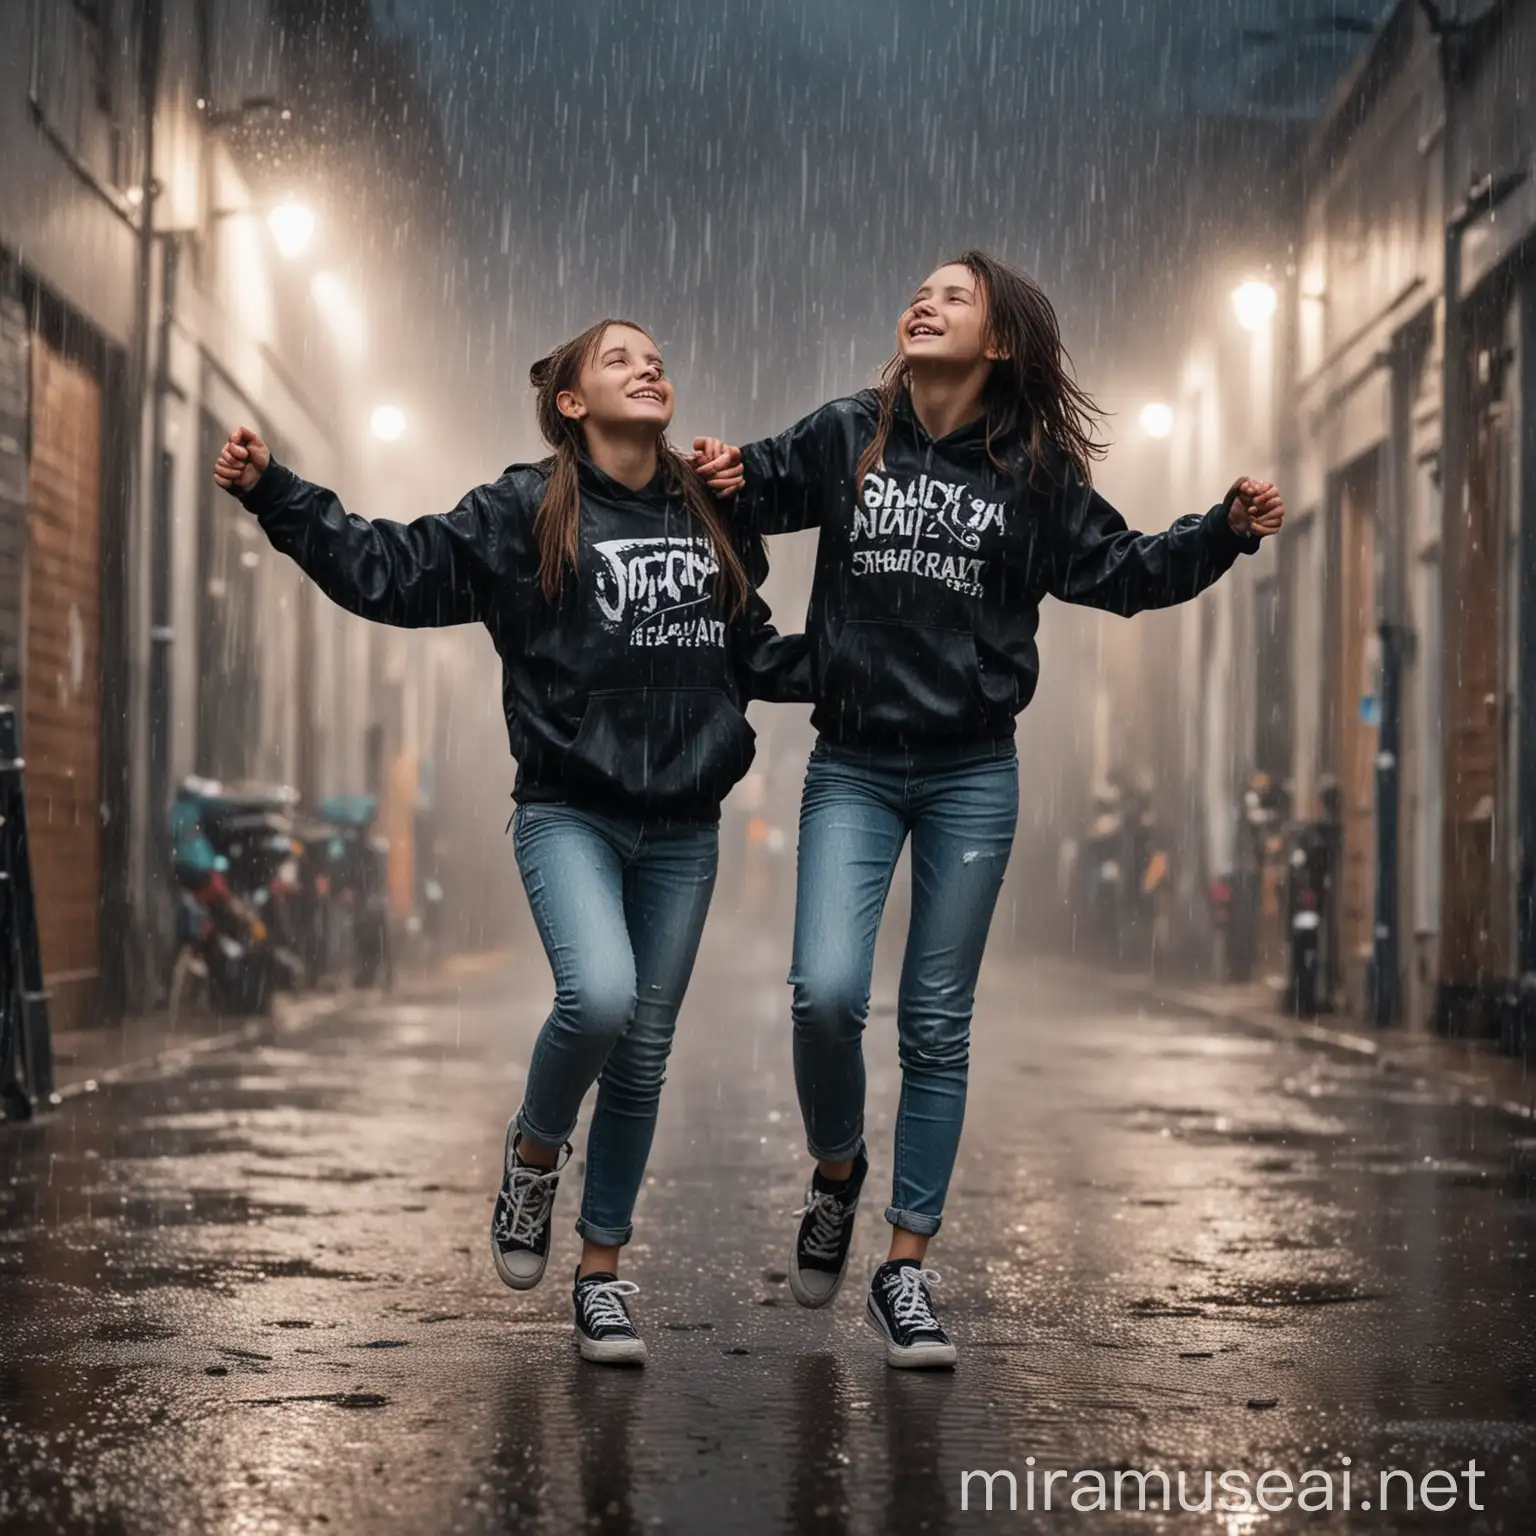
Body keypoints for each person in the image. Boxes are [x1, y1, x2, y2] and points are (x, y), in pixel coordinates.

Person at [692, 250, 1283, 1369]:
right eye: (918, 289)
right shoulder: (846, 435)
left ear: (999, 341)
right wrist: (723, 467)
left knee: (935, 1023)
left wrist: (1225, 531)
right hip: (855, 763)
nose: (923, 300)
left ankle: (906, 1269)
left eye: (953, 296)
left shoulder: (1034, 471)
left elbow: (1124, 570)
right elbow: (754, 484)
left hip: (973, 771)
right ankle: (835, 1174)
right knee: (823, 995)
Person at [213, 318, 806, 1367]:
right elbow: (389, 571)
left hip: (683, 824)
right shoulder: (523, 510)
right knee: (600, 1000)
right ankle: (534, 1152)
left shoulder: (712, 504)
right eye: (618, 357)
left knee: (644, 1059)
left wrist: (875, 665)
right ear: (571, 401)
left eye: (658, 354)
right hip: (569, 811)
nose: (649, 365)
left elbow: (750, 650)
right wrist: (279, 496)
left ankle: (602, 1274)